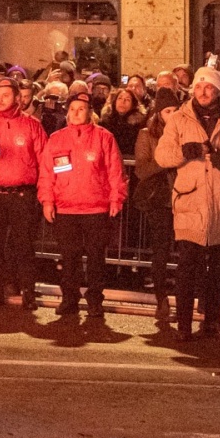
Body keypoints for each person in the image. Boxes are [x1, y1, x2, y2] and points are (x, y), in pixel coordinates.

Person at [155, 67, 220, 341]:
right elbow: (162, 155)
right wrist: (184, 152)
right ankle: (184, 324)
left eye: (209, 87)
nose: (202, 91)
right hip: (191, 200)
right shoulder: (179, 118)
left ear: (219, 90)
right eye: (199, 86)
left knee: (219, 269)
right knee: (188, 266)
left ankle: (212, 321)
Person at [38, 91, 128, 322]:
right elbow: (47, 173)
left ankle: (95, 300)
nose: (76, 113)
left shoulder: (104, 138)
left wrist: (116, 199)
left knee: (97, 258)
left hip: (96, 209)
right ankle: (69, 299)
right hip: (66, 209)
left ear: (90, 113)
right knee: (69, 258)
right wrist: (47, 200)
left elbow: (115, 171)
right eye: (73, 109)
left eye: (81, 109)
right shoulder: (57, 138)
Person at [0, 78, 48, 308]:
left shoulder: (32, 125)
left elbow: (45, 162)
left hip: (22, 196)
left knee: (24, 246)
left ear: (17, 98)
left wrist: (45, 196)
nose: (1, 99)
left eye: (6, 95)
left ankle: (28, 292)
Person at [133, 96, 180, 329]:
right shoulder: (147, 134)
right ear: (159, 113)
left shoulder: (186, 131)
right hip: (160, 199)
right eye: (167, 110)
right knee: (160, 251)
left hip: (185, 197)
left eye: (175, 110)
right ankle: (161, 299)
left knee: (187, 253)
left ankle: (185, 302)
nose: (171, 114)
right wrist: (168, 160)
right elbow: (141, 169)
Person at [101, 87, 147, 157]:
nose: (123, 102)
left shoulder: (138, 126)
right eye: (120, 98)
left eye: (127, 100)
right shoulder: (104, 123)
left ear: (133, 104)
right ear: (115, 101)